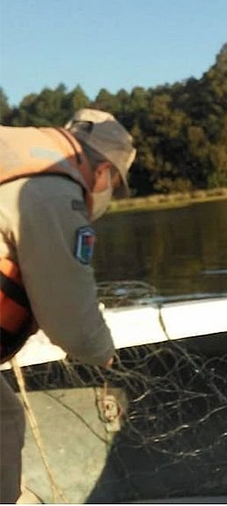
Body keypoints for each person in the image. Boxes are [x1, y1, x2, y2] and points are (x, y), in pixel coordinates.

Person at [0, 108, 136, 504]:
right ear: (104, 173)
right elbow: (72, 326)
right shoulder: (54, 186)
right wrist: (102, 353)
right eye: (115, 184)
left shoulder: (20, 148)